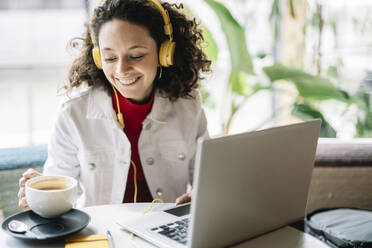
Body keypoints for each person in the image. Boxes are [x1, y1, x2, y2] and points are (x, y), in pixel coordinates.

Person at [18, 0, 211, 210]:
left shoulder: (188, 106)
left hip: (167, 233)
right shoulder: (73, 113)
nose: (122, 69)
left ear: (165, 53)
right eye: (109, 57)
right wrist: (40, 198)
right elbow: (59, 193)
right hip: (100, 234)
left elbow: (208, 181)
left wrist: (200, 196)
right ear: (98, 58)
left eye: (136, 55)